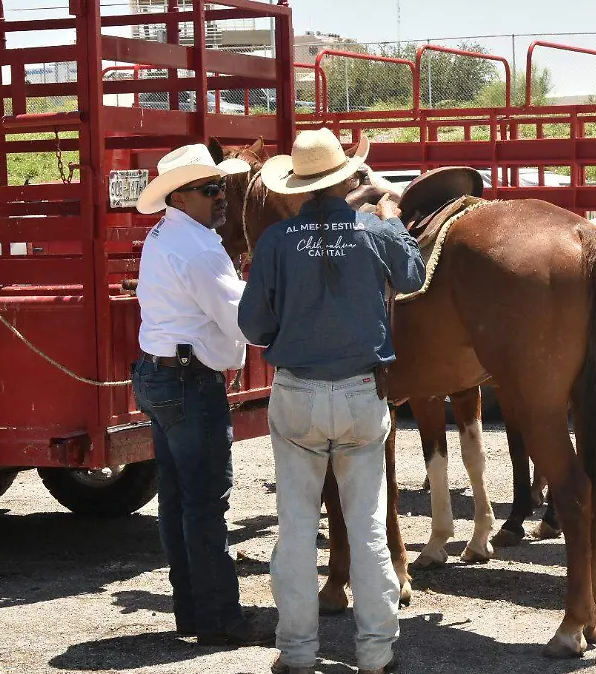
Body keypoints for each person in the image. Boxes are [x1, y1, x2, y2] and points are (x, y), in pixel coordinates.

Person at [238, 128, 425, 674]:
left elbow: (253, 326)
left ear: (298, 186)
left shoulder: (276, 241)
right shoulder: (375, 231)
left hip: (296, 393)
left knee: (296, 529)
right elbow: (412, 277)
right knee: (368, 527)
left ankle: (297, 653)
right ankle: (376, 652)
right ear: (345, 180)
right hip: (362, 392)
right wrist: (391, 220)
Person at [131, 143, 273, 646]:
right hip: (189, 382)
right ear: (180, 197)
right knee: (206, 503)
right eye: (210, 190)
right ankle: (219, 619)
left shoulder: (165, 235)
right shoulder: (199, 248)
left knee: (178, 501)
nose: (221, 197)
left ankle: (192, 610)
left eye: (221, 188)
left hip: (163, 375)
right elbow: (243, 320)